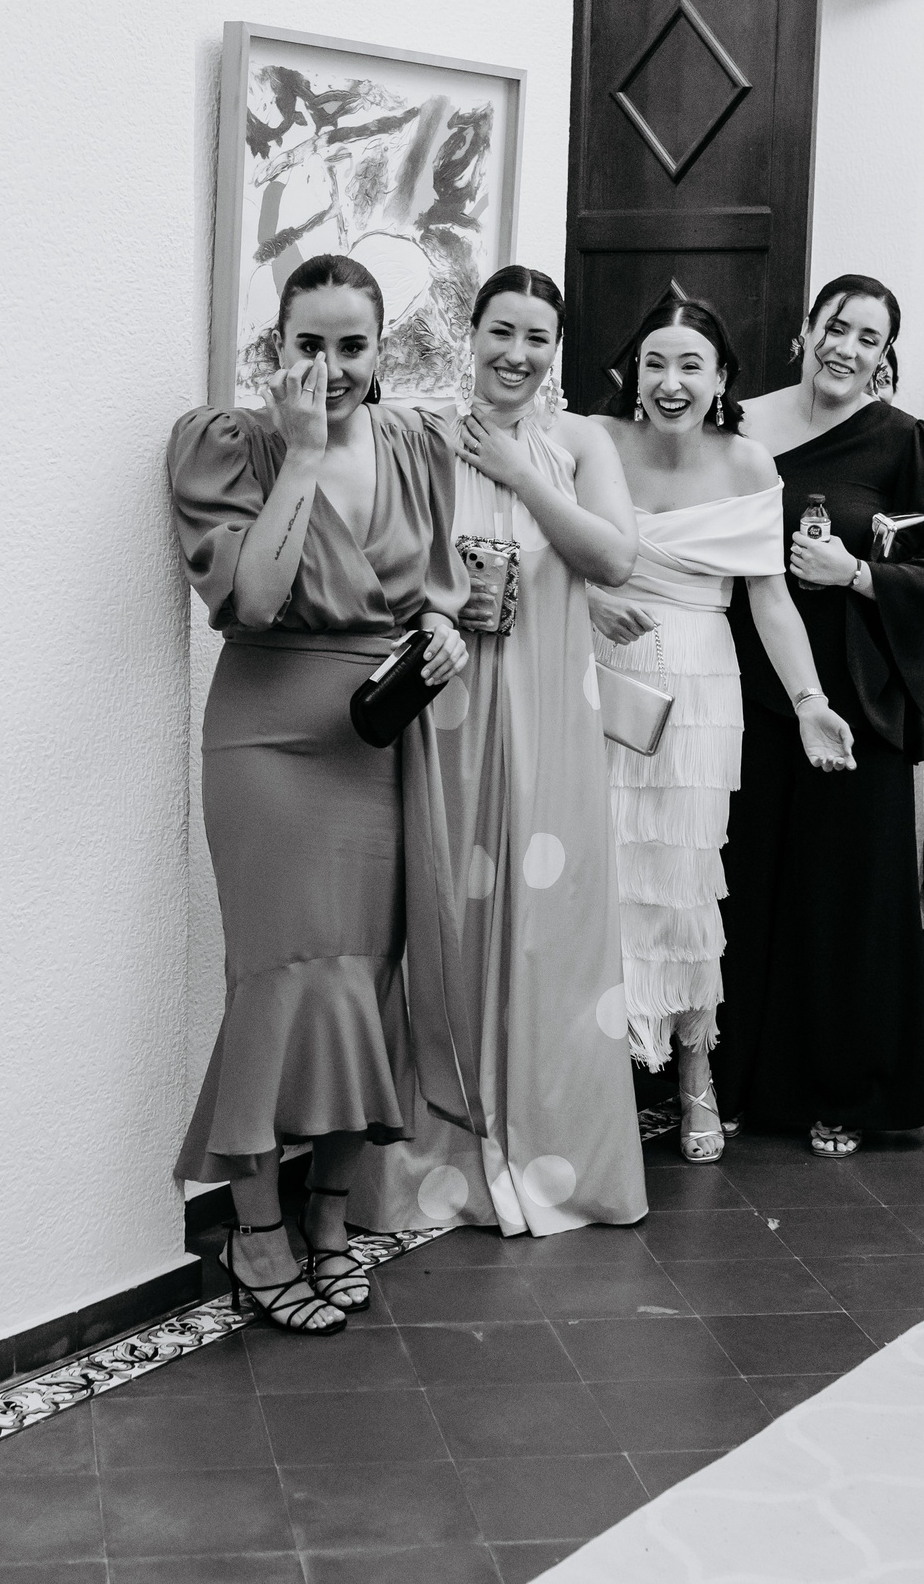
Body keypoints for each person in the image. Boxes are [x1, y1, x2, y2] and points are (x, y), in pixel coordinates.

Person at [171, 253, 472, 1332]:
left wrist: (442, 634)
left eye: (353, 346)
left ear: (380, 350)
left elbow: (436, 592)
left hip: (377, 739)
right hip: (266, 743)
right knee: (276, 981)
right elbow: (252, 599)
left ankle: (331, 1218)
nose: (333, 367)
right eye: (311, 344)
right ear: (276, 346)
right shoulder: (226, 444)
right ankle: (256, 1234)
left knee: (363, 981)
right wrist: (300, 453)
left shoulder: (415, 444)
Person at [358, 267, 648, 1235]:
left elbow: (614, 557)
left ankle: (553, 1153)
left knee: (550, 927)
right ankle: (441, 1160)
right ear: (471, 332)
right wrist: (434, 607)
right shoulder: (424, 434)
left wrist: (522, 474)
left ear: (555, 349)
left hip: (551, 711)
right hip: (448, 709)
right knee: (448, 912)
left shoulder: (580, 441)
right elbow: (382, 560)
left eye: (537, 338)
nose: (516, 354)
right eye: (501, 332)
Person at [588, 298, 855, 1162]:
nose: (672, 382)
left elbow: (769, 597)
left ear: (721, 379)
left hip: (700, 680)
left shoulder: (747, 461)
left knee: (684, 877)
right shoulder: (591, 442)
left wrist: (810, 699)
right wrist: (587, 599)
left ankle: (694, 1071)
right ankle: (603, 1071)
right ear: (632, 373)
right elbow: (545, 547)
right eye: (656, 362)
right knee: (600, 873)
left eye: (691, 364)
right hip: (595, 668)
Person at [717, 275, 924, 1159]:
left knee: (845, 898)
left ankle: (846, 1091)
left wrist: (857, 574)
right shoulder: (738, 423)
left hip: (857, 697)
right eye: (836, 327)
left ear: (884, 354)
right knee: (744, 886)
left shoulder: (904, 440)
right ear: (805, 328)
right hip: (745, 683)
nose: (847, 348)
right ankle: (726, 1080)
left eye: (869, 338)